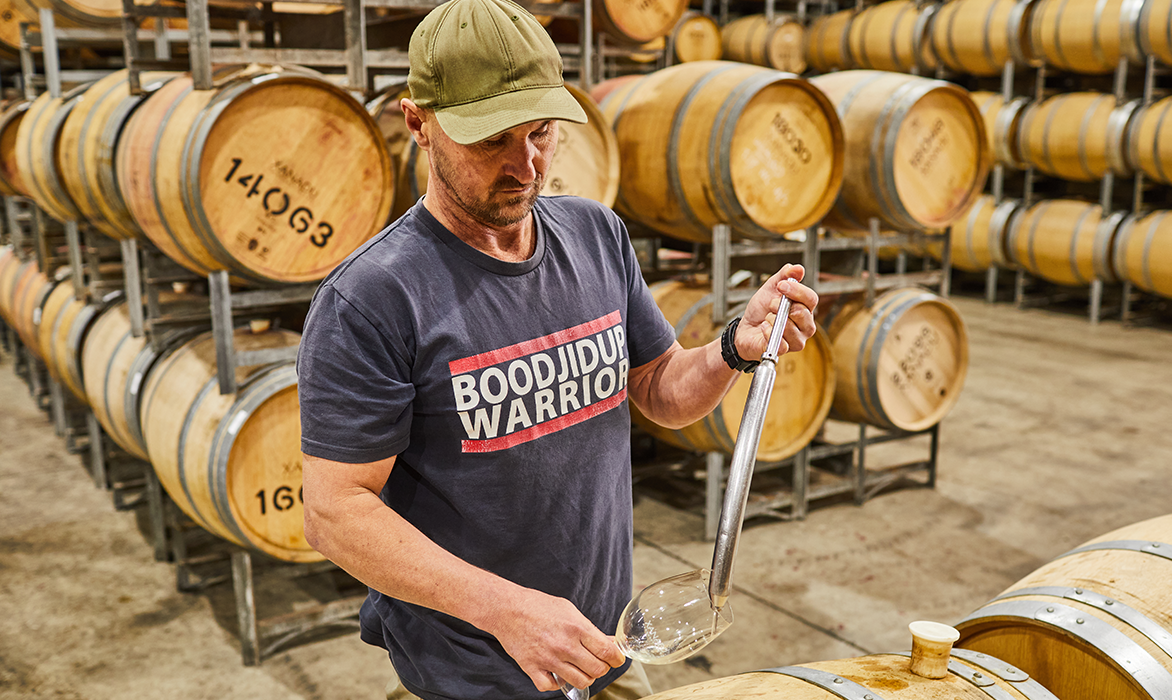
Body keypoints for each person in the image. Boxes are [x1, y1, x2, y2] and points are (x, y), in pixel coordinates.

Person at [296, 0, 819, 697]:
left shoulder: (595, 234)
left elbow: (661, 389)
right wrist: (507, 611)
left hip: (606, 644)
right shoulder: (372, 298)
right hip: (469, 669)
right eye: (491, 141)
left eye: (541, 132)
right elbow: (335, 513)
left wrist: (733, 347)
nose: (527, 166)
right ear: (418, 122)